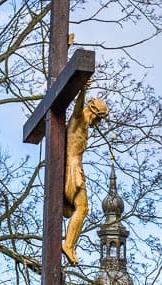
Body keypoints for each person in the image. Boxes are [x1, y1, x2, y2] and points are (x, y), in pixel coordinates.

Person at [62, 83, 110, 265]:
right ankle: (68, 245)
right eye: (98, 119)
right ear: (93, 112)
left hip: (75, 169)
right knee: (82, 208)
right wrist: (82, 89)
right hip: (73, 171)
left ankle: (69, 244)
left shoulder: (83, 125)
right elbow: (76, 109)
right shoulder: (79, 120)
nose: (97, 124)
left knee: (78, 209)